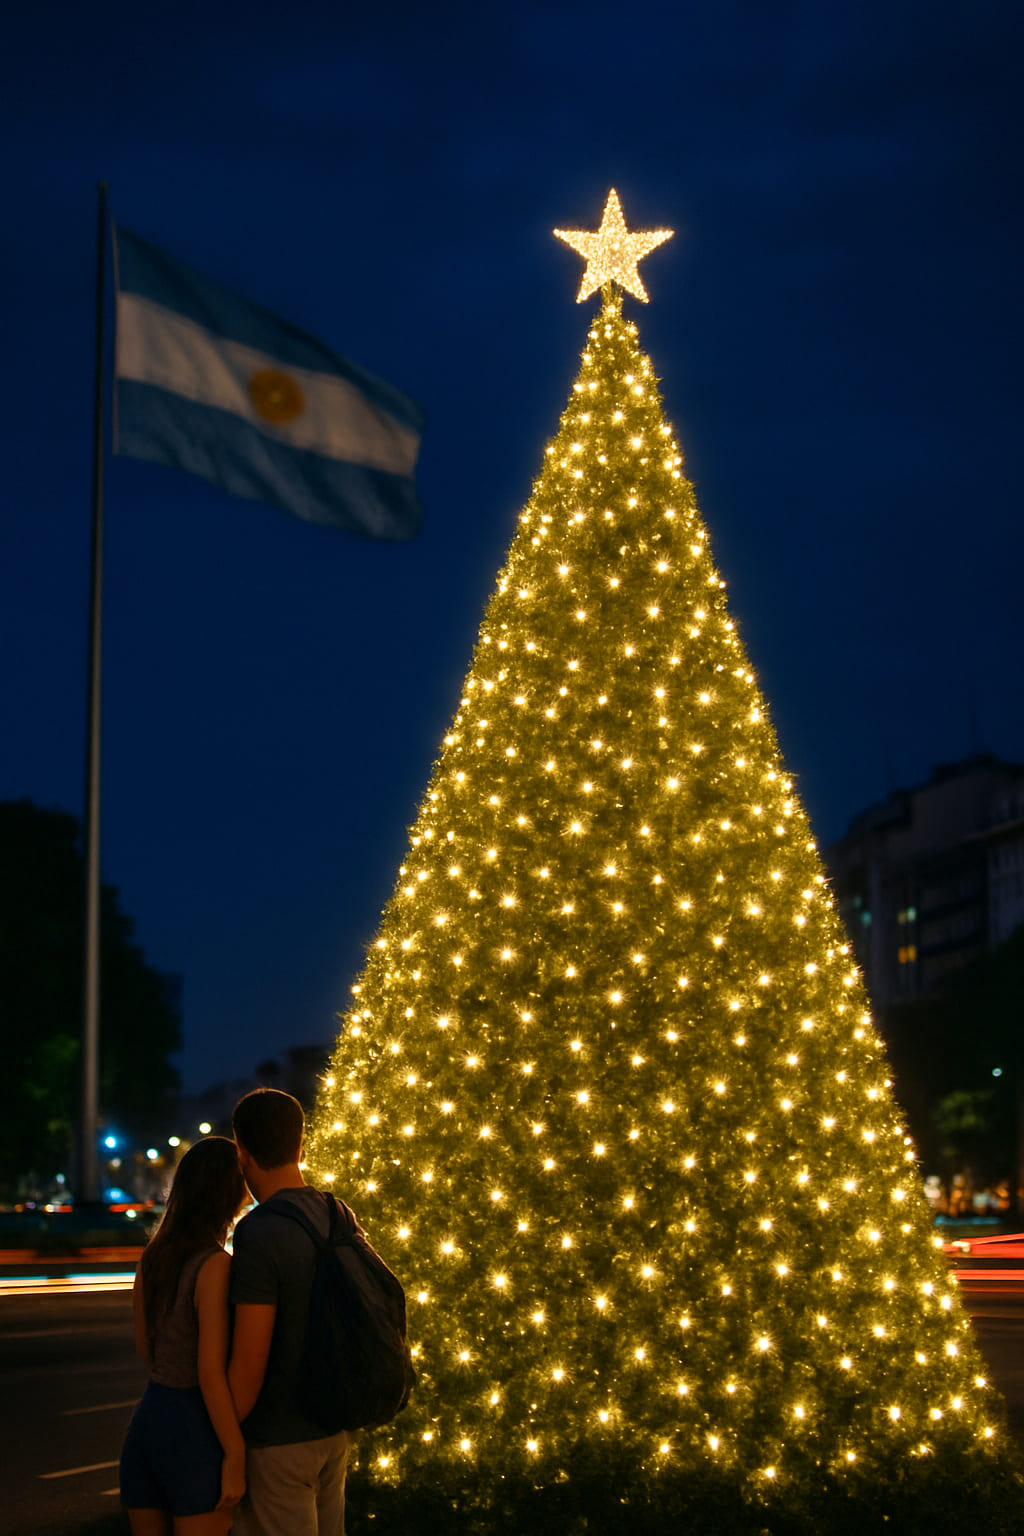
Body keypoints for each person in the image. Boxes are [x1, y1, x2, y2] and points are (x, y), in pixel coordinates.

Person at [228, 1087, 352, 1536]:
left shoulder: (259, 1232)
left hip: (277, 1442)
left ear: (242, 1151)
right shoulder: (338, 1214)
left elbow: (250, 1360)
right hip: (333, 1431)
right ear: (300, 1146)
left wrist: (218, 1442)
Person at [120, 1135, 249, 1535]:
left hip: (146, 1426)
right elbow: (208, 1372)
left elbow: (146, 1350)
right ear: (229, 1192)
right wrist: (235, 1454)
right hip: (193, 1433)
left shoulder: (152, 1257)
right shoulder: (214, 1267)